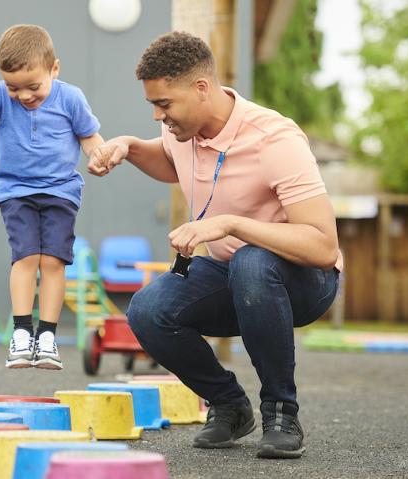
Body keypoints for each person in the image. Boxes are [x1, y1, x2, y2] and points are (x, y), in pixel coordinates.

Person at [88, 31, 342, 458]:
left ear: (201, 88)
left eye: (164, 104)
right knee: (147, 310)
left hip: (304, 281)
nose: (157, 115)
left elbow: (322, 248)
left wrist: (230, 225)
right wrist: (128, 147)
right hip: (234, 275)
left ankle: (281, 412)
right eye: (153, 105)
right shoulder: (181, 132)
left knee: (251, 261)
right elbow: (170, 161)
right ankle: (229, 404)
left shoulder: (274, 139)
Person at [0, 24, 104, 370]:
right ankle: (21, 333)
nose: (23, 95)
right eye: (13, 87)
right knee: (26, 257)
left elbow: (90, 137)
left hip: (61, 191)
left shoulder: (71, 98)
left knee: (53, 262)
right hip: (15, 190)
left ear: (54, 69)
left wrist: (100, 156)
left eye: (33, 87)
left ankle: (47, 336)